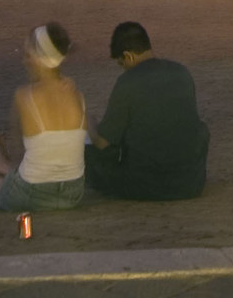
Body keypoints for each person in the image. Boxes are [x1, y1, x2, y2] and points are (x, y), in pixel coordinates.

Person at [86, 22, 209, 200]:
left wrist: (89, 123)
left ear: (128, 56)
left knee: (91, 156)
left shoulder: (127, 82)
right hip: (191, 183)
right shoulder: (182, 72)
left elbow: (103, 143)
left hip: (147, 186)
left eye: (122, 64)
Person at [0, 24, 87, 214]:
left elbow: (19, 154)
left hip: (32, 195)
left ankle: (0, 165)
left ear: (39, 59)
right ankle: (2, 171)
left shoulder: (24, 96)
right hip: (73, 194)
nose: (24, 61)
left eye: (27, 55)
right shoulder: (77, 94)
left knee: (8, 185)